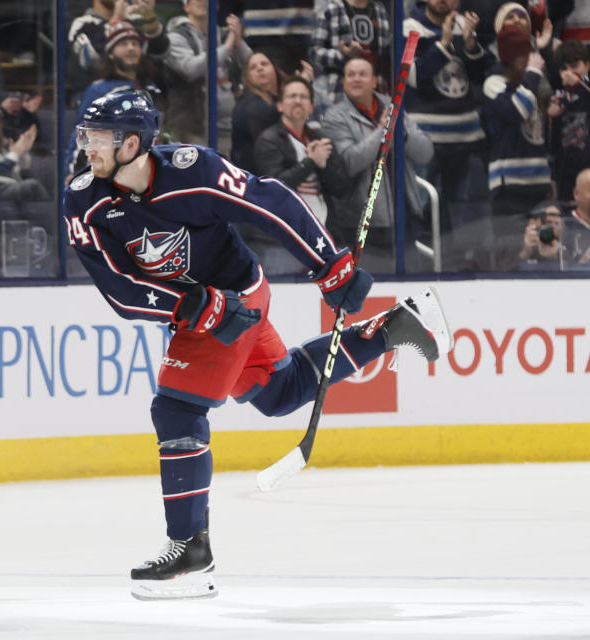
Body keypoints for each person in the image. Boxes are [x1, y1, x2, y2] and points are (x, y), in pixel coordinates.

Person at [63, 90, 453, 600]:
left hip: (236, 296)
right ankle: (399, 326)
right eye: (86, 136)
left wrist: (327, 264)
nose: (87, 147)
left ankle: (190, 553)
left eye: (98, 138)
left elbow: (268, 200)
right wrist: (190, 308)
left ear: (131, 143)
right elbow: (120, 289)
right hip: (201, 311)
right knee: (278, 392)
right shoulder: (84, 199)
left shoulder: (190, 171)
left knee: (177, 410)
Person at [321, 55, 434, 272]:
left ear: (374, 81)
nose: (356, 79)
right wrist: (382, 131)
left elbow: (425, 153)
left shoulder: (393, 106)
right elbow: (350, 162)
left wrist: (402, 135)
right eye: (351, 75)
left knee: (410, 285)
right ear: (343, 82)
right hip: (363, 219)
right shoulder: (335, 118)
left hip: (404, 211)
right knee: (373, 286)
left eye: (362, 74)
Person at [404, 0, 493, 271]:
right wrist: (443, 44)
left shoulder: (464, 26)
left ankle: (461, 270)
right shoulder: (409, 27)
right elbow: (413, 75)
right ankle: (423, 270)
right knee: (422, 212)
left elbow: (481, 77)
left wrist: (469, 46)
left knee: (463, 213)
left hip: (465, 138)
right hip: (426, 139)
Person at [483, 24, 552, 270]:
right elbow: (516, 110)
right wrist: (532, 74)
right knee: (510, 254)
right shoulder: (493, 83)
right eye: (525, 55)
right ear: (511, 58)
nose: (530, 61)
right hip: (508, 187)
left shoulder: (530, 81)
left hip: (538, 184)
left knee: (546, 252)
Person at [67, 19, 168, 175]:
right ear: (111, 54)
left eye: (135, 44)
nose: (130, 48)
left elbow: (160, 130)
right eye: (123, 44)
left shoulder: (151, 88)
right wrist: (74, 172)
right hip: (112, 170)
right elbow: (83, 132)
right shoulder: (99, 89)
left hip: (147, 170)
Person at [253, 76, 349, 230]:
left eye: (303, 97)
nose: (298, 101)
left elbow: (340, 188)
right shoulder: (268, 140)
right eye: (292, 96)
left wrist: (323, 166)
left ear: (311, 107)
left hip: (324, 229)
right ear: (280, 106)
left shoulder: (321, 139)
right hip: (286, 231)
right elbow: (274, 188)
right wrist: (311, 162)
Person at [162, 0, 251, 153]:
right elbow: (190, 70)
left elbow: (253, 65)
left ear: (216, 5)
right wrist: (228, 46)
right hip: (193, 130)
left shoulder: (224, 35)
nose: (202, 1)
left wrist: (238, 40)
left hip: (231, 128)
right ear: (186, 6)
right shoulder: (175, 36)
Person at [312, 0, 392, 112]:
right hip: (338, 93)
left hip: (375, 94)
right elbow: (315, 53)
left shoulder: (381, 12)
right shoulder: (332, 10)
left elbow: (386, 56)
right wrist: (343, 56)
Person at [547, 39, 590, 201]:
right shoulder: (558, 99)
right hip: (567, 176)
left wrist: (580, 83)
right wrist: (553, 179)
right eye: (564, 68)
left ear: (587, 65)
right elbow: (553, 145)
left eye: (575, 66)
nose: (569, 72)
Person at [230, 51, 284, 173]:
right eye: (253, 67)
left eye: (264, 64)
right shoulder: (246, 102)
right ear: (247, 77)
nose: (260, 68)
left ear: (274, 69)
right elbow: (266, 115)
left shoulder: (276, 99)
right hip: (251, 181)